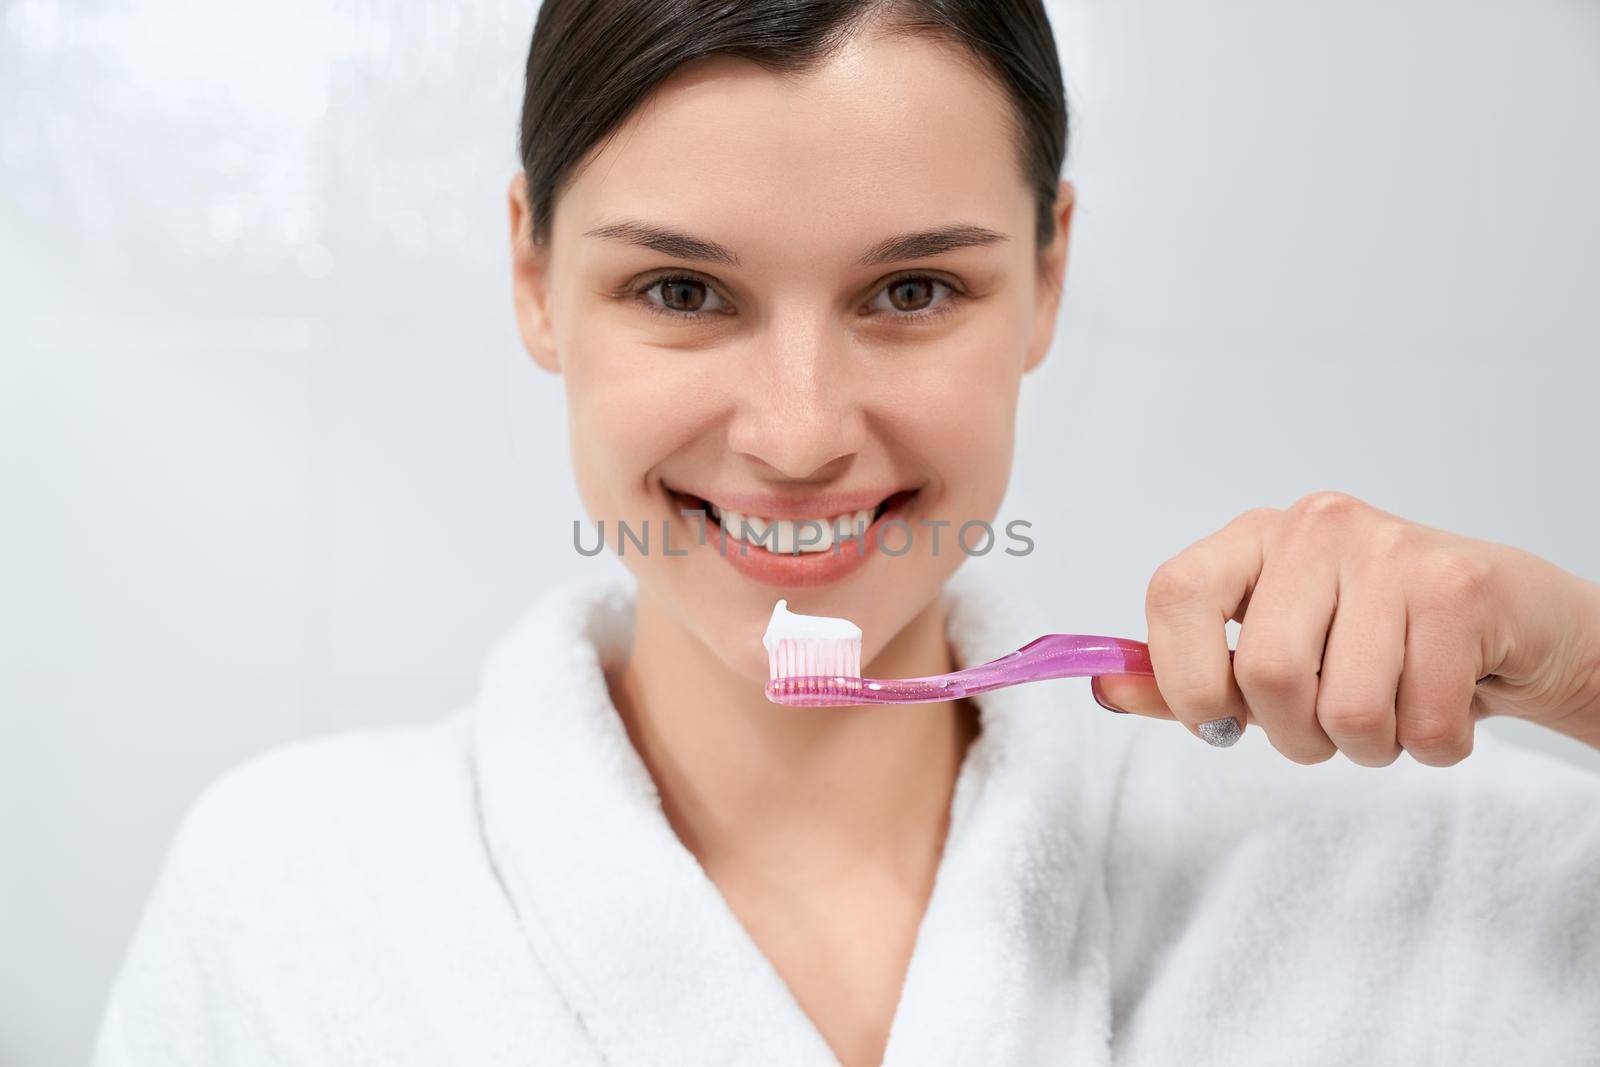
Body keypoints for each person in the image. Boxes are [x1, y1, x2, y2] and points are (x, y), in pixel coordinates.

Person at [93, 1, 1600, 1064]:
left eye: (911, 292)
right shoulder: (298, 902)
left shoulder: (1384, 866)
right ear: (534, 273)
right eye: (682, 292)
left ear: (1049, 272)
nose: (801, 432)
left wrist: (1575, 663)